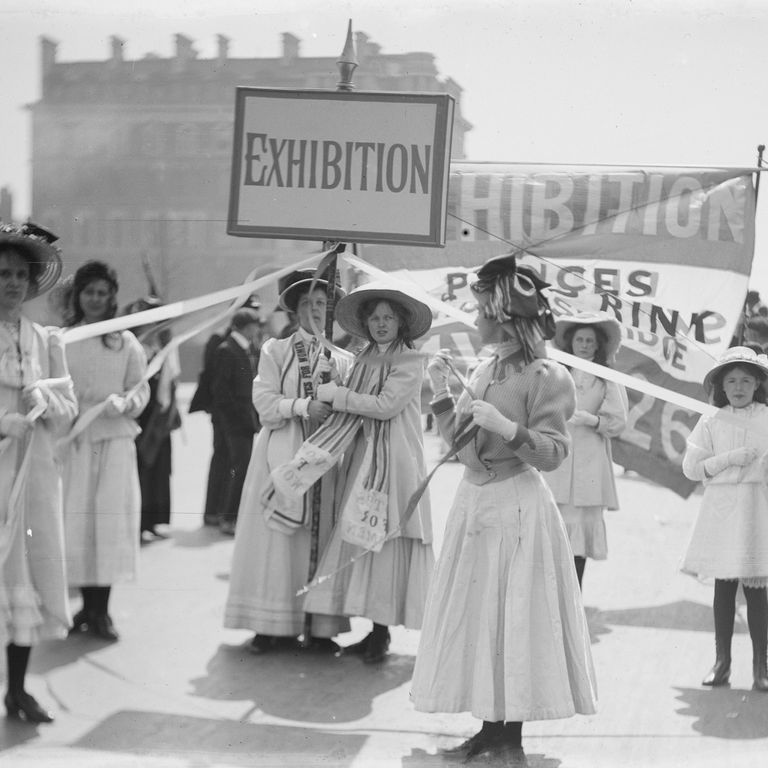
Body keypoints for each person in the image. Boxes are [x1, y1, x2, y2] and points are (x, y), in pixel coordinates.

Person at [410, 253, 597, 763]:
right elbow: (465, 449)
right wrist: (445, 398)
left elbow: (554, 453)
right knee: (482, 614)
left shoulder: (548, 375)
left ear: (504, 313)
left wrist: (509, 428)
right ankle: (489, 728)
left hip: (518, 504)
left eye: (482, 309)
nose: (475, 318)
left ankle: (508, 735)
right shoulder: (485, 367)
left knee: (513, 614)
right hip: (476, 502)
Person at [290, 282, 435, 664]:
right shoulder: (363, 357)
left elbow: (386, 405)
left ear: (401, 323)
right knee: (364, 536)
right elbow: (353, 395)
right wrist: (331, 381)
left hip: (394, 457)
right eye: (375, 318)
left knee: (384, 539)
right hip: (364, 452)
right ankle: (374, 629)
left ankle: (381, 632)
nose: (381, 324)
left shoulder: (409, 360)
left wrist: (338, 395)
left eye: (388, 318)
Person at [224, 269, 350, 653]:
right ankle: (272, 625)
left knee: (321, 534)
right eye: (307, 304)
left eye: (322, 304)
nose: (315, 310)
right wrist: (301, 405)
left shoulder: (344, 358)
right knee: (278, 540)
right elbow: (263, 403)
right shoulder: (276, 351)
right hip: (282, 451)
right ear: (294, 310)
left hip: (325, 456)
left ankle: (320, 628)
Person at [0, 222, 77, 723]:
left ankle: (18, 690)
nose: (11, 283)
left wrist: (44, 398)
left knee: (26, 571)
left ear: (31, 283)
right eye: (2, 273)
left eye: (20, 275)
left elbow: (68, 405)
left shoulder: (45, 339)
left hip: (36, 470)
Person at [61, 261, 149, 642]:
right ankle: (85, 606)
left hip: (113, 441)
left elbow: (140, 389)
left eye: (102, 292)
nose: (95, 299)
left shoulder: (124, 341)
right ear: (78, 296)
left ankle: (103, 610)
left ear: (112, 297)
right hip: (76, 441)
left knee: (109, 522)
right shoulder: (63, 339)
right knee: (78, 521)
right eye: (88, 292)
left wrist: (125, 403)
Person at [681, 346, 768, 691]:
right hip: (721, 508)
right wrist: (728, 458)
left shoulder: (766, 416)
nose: (738, 387)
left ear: (758, 383)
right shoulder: (711, 419)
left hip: (756, 506)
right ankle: (722, 663)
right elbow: (691, 468)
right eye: (731, 380)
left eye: (746, 380)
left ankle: (762, 665)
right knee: (724, 587)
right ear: (721, 385)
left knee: (757, 589)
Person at [543, 312, 628, 589]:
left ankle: (574, 596)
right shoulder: (556, 371)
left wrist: (593, 420)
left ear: (597, 345)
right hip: (560, 457)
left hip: (590, 461)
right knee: (553, 533)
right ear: (570, 342)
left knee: (579, 537)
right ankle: (552, 601)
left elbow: (618, 420)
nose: (584, 345)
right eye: (579, 339)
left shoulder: (606, 378)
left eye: (589, 341)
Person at [189, 296, 260, 527]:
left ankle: (221, 512)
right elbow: (215, 382)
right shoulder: (222, 343)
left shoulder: (246, 344)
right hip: (226, 415)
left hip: (237, 414)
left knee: (232, 463)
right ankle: (217, 513)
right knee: (224, 461)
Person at [123, 297, 181, 543]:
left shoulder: (162, 345)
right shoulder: (134, 346)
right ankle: (138, 524)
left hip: (159, 417)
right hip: (142, 417)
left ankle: (154, 521)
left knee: (159, 469)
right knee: (141, 469)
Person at [210, 307, 263, 536]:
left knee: (241, 467)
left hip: (243, 420)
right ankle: (228, 517)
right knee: (239, 468)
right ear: (247, 326)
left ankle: (230, 515)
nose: (257, 329)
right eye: (254, 324)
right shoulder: (228, 350)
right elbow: (220, 390)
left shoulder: (242, 348)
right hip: (236, 422)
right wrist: (240, 416)